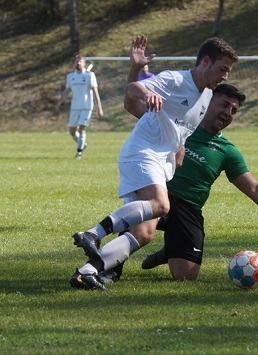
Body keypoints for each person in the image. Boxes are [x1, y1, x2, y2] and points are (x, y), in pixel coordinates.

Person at [97, 83, 258, 285]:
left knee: (186, 276)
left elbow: (253, 188)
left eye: (234, 110)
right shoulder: (178, 123)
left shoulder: (227, 151)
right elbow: (131, 105)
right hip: (159, 193)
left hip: (189, 208)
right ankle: (106, 267)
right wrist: (136, 70)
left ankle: (168, 251)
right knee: (143, 227)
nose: (228, 112)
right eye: (224, 104)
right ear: (207, 101)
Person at [69, 35, 239, 290]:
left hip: (158, 161)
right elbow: (131, 91)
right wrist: (147, 89)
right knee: (161, 205)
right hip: (142, 153)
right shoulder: (176, 79)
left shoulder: (206, 95)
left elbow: (174, 124)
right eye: (223, 68)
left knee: (144, 233)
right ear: (206, 61)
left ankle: (86, 273)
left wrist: (178, 146)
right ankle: (93, 234)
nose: (225, 76)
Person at [55, 55, 104, 159]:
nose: (78, 63)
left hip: (87, 106)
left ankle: (79, 152)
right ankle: (82, 144)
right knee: (72, 130)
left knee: (82, 128)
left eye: (80, 61)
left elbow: (95, 92)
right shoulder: (70, 76)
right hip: (75, 106)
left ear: (84, 63)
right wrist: (59, 102)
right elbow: (67, 90)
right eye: (76, 61)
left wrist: (99, 108)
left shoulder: (89, 75)